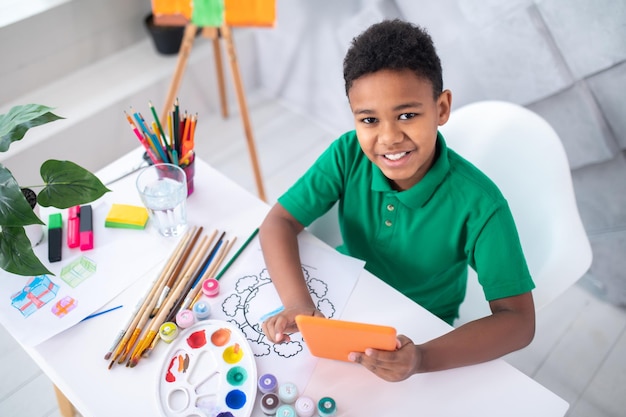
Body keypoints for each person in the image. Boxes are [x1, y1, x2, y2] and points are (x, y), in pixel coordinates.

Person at [259, 19, 535, 382]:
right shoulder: (346, 154)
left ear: (441, 108)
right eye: (370, 119)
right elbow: (277, 222)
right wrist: (297, 304)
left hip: (423, 329)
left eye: (407, 115)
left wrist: (421, 358)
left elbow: (518, 321)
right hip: (346, 299)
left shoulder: (480, 205)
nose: (388, 137)